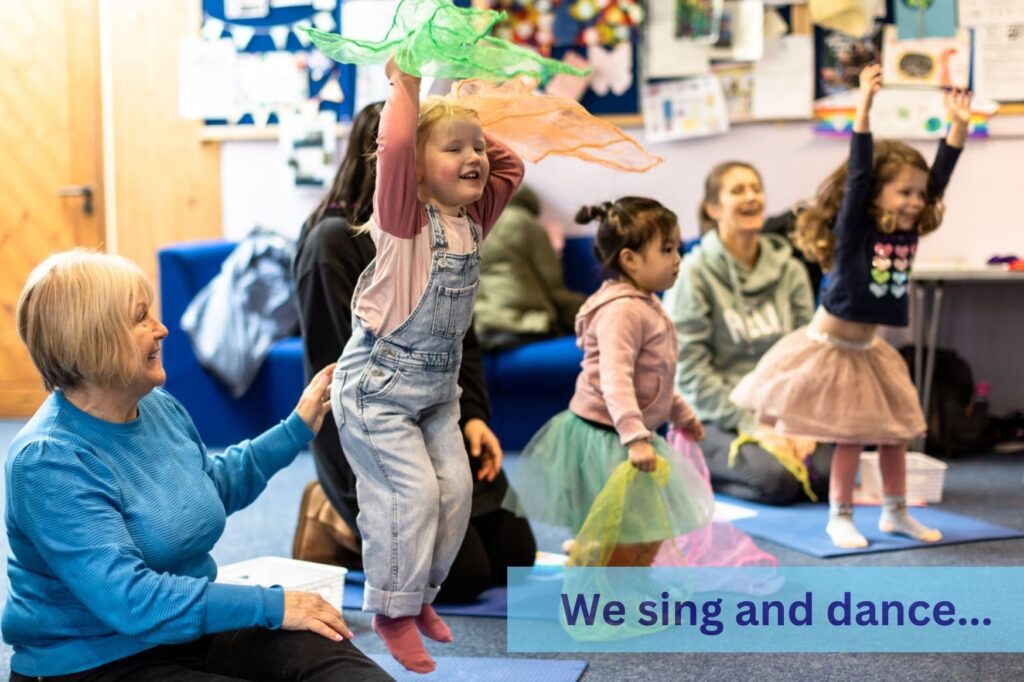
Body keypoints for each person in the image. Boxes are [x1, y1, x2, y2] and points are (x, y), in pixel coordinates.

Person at [3, 249, 389, 681]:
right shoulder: (48, 459)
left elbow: (209, 487)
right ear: (92, 340)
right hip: (93, 662)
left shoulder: (156, 406)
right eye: (140, 318)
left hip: (190, 633)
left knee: (333, 659)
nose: (162, 329)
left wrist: (297, 427)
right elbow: (134, 601)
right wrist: (272, 605)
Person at [293, 101, 536, 600]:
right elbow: (338, 372)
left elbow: (457, 336)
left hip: (433, 405)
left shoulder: (451, 225)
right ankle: (332, 516)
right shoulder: (335, 243)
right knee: (457, 579)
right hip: (374, 425)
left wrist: (473, 417)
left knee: (515, 555)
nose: (469, 157)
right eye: (446, 146)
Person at [329, 56, 524, 673]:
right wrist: (408, 88)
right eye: (454, 151)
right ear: (415, 173)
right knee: (410, 497)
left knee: (456, 496)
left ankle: (418, 601)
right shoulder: (404, 223)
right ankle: (389, 610)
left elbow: (511, 166)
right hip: (377, 390)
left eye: (477, 148)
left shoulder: (472, 220)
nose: (476, 158)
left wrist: (465, 118)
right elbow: (394, 149)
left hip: (439, 393)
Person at [731, 64, 972, 548]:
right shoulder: (855, 230)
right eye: (903, 191)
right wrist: (863, 108)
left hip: (870, 349)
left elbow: (938, 181)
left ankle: (895, 512)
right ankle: (839, 515)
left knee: (893, 434)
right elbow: (860, 170)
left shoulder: (908, 227)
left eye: (918, 195)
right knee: (847, 436)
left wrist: (957, 128)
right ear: (875, 195)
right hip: (830, 346)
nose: (913, 202)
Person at [508, 197, 714, 567]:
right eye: (666, 250)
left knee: (648, 526)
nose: (677, 258)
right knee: (632, 526)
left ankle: (604, 560)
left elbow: (655, 375)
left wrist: (680, 412)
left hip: (628, 431)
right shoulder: (622, 310)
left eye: (677, 248)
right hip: (610, 436)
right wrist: (635, 437)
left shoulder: (645, 303)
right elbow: (616, 379)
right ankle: (610, 585)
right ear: (630, 259)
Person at [663, 162, 832, 505]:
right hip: (710, 416)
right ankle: (688, 463)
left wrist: (793, 422)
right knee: (778, 482)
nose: (751, 197)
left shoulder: (791, 271)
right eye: (737, 190)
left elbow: (806, 356)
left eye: (756, 188)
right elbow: (690, 374)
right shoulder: (693, 275)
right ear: (713, 208)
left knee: (826, 475)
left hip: (777, 411)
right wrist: (751, 424)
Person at [473, 184, 585, 349]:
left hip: (482, 322)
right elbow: (552, 285)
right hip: (527, 321)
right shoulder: (528, 223)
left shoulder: (471, 223)